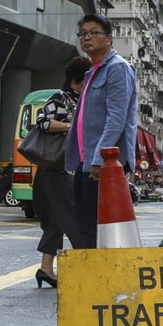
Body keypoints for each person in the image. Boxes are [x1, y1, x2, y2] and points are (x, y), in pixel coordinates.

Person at [64, 13, 138, 249]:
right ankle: (89, 278)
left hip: (104, 163)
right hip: (87, 162)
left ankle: (97, 280)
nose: (88, 38)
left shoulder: (117, 68)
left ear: (109, 39)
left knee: (97, 229)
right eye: (83, 34)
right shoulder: (92, 71)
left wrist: (99, 159)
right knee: (85, 225)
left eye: (94, 33)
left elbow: (117, 118)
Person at [33, 55, 91, 287]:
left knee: (57, 221)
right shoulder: (61, 98)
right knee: (74, 217)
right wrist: (70, 126)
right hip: (55, 170)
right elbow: (42, 122)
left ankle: (46, 269)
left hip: (67, 169)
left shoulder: (80, 99)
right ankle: (85, 267)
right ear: (78, 78)